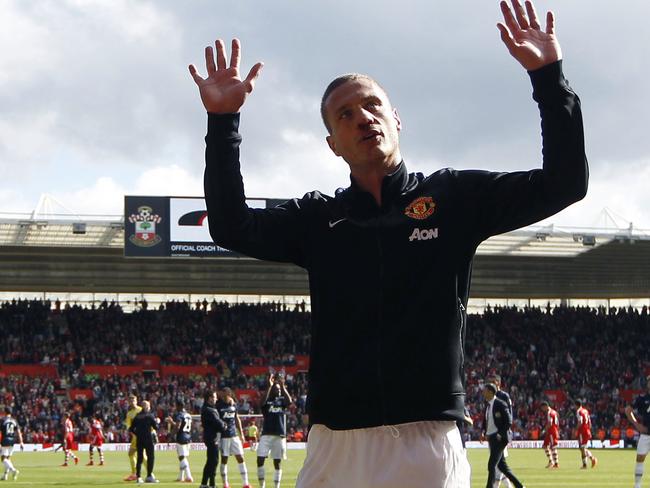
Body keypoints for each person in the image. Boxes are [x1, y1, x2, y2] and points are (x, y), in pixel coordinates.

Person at [189, 0, 588, 483]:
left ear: (396, 119)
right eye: (344, 114)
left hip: (427, 441)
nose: (362, 117)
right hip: (335, 443)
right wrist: (223, 123)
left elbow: (564, 183)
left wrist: (549, 78)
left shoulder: (454, 198)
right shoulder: (319, 218)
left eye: (372, 105)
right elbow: (231, 226)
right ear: (333, 143)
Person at [482, 384, 525, 488]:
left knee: (491, 464)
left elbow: (509, 421)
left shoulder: (500, 404)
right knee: (502, 466)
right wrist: (483, 432)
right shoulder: (487, 405)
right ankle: (519, 486)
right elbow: (486, 420)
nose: (483, 392)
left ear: (491, 392)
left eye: (485, 390)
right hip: (491, 438)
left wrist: (500, 434)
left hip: (499, 439)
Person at [254, 375, 291, 488]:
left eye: (280, 389)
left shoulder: (282, 401)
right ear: (272, 390)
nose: (279, 391)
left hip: (279, 435)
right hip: (266, 434)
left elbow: (289, 401)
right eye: (277, 389)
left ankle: (276, 486)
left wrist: (283, 387)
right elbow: (260, 404)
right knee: (260, 460)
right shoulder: (267, 401)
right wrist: (269, 387)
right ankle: (262, 486)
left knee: (277, 462)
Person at [216, 389, 251, 488]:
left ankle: (246, 483)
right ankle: (225, 483)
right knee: (224, 459)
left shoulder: (233, 405)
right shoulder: (218, 405)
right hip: (224, 436)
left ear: (229, 394)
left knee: (240, 457)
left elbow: (237, 419)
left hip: (234, 435)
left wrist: (242, 434)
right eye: (222, 393)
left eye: (224, 393)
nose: (223, 395)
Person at [488, 374, 513, 487]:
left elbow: (509, 416)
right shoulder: (490, 396)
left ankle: (495, 485)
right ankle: (510, 485)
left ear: (499, 383)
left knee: (496, 461)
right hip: (492, 434)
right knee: (500, 462)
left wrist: (504, 432)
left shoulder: (504, 396)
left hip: (500, 434)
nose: (492, 383)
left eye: (494, 381)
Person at [625, 375, 650, 488]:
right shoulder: (642, 398)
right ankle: (637, 486)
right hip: (646, 434)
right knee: (640, 459)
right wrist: (636, 424)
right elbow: (628, 410)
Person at [129, 400, 160, 484]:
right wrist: (158, 422)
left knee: (140, 458)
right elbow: (156, 427)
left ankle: (138, 477)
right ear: (147, 407)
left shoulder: (137, 416)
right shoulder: (150, 416)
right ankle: (149, 476)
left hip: (139, 439)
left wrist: (137, 434)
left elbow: (131, 428)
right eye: (148, 406)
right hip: (148, 439)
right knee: (151, 457)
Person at [200, 390, 226, 488]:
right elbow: (218, 423)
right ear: (210, 398)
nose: (216, 399)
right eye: (214, 397)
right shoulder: (210, 410)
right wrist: (224, 425)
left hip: (209, 437)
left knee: (210, 461)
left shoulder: (206, 408)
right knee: (214, 461)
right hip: (212, 438)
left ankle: (204, 483)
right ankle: (212, 484)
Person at [166, 399, 194, 482]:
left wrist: (171, 436)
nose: (176, 408)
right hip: (188, 437)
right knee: (181, 457)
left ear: (179, 406)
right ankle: (180, 477)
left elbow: (178, 427)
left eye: (176, 406)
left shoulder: (179, 415)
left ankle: (189, 476)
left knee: (182, 457)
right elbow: (188, 426)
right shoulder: (188, 415)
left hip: (181, 437)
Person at [124, 393, 143, 481]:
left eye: (133, 400)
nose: (132, 402)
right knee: (138, 454)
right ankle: (149, 474)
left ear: (136, 401)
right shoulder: (129, 414)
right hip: (136, 436)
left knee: (132, 454)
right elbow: (128, 425)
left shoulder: (141, 410)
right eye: (130, 401)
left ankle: (135, 473)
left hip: (141, 435)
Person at [1, 407, 23, 481]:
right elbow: (19, 432)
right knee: (8, 458)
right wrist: (21, 442)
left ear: (4, 412)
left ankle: (13, 470)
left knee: (3, 459)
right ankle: (5, 476)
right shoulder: (14, 421)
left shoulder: (2, 420)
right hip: (12, 440)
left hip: (5, 440)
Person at [575, 400, 597, 469]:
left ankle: (587, 463)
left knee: (582, 448)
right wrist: (589, 429)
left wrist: (575, 430)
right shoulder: (585, 411)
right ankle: (591, 459)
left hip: (582, 431)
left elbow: (580, 422)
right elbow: (589, 422)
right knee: (582, 448)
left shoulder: (579, 411)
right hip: (587, 430)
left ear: (576, 405)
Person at [540, 401, 560, 468]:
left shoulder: (549, 413)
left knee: (553, 447)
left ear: (545, 406)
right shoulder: (554, 412)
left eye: (542, 408)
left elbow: (550, 423)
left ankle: (556, 463)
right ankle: (551, 461)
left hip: (551, 431)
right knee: (545, 446)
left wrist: (544, 430)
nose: (542, 410)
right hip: (552, 430)